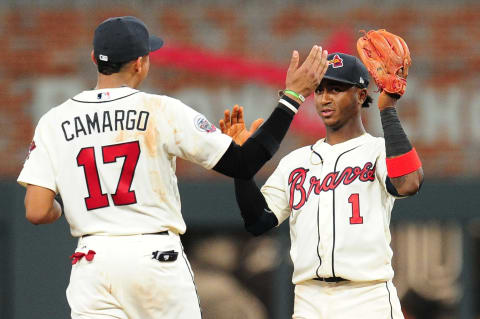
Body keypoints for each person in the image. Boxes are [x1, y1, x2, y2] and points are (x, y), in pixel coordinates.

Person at [17, 16, 330, 319]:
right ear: (140, 62)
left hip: (93, 262)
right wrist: (292, 97)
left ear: (94, 58)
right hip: (154, 258)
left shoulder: (54, 121)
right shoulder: (160, 110)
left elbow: (37, 210)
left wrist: (64, 206)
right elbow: (244, 163)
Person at [221, 52, 424, 319]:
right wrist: (241, 168)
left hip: (367, 298)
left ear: (361, 95)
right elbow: (258, 221)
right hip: (309, 300)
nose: (325, 98)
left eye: (337, 89)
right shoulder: (295, 162)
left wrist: (387, 110)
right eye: (320, 90)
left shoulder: (378, 151)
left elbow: (408, 182)